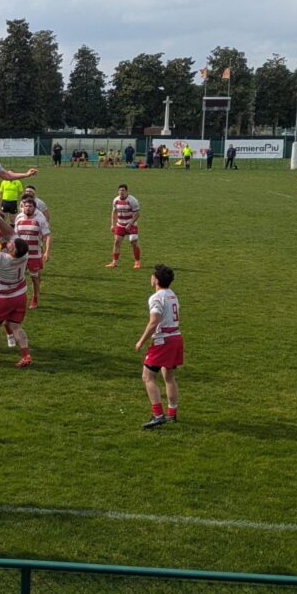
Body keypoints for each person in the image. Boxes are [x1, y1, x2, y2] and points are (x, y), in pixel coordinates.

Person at [0, 215, 33, 368]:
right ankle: (26, 355)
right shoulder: (24, 254)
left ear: (13, 250)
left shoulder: (1, 259)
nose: (8, 242)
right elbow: (11, 232)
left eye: (11, 244)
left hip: (3, 298)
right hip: (20, 295)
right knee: (16, 326)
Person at [135, 264, 183, 429]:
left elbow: (154, 321)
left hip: (164, 340)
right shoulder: (172, 295)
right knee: (168, 376)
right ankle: (172, 413)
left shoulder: (156, 297)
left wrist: (141, 340)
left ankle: (158, 415)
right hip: (176, 337)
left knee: (147, 376)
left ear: (156, 279)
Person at [14, 195, 51, 310]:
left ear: (34, 208)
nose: (28, 208)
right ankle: (17, 298)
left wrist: (47, 252)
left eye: (30, 206)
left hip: (34, 254)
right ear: (23, 207)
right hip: (21, 254)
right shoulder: (19, 218)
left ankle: (35, 298)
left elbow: (47, 236)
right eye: (26, 206)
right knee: (17, 277)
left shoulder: (40, 220)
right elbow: (15, 236)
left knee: (34, 277)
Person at [105, 184, 141, 269]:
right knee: (117, 242)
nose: (121, 192)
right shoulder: (115, 200)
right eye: (120, 190)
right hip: (120, 224)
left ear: (127, 191)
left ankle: (137, 261)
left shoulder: (133, 200)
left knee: (133, 242)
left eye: (123, 190)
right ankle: (114, 262)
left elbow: (137, 214)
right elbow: (114, 212)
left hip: (131, 224)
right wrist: (112, 225)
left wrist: (130, 223)